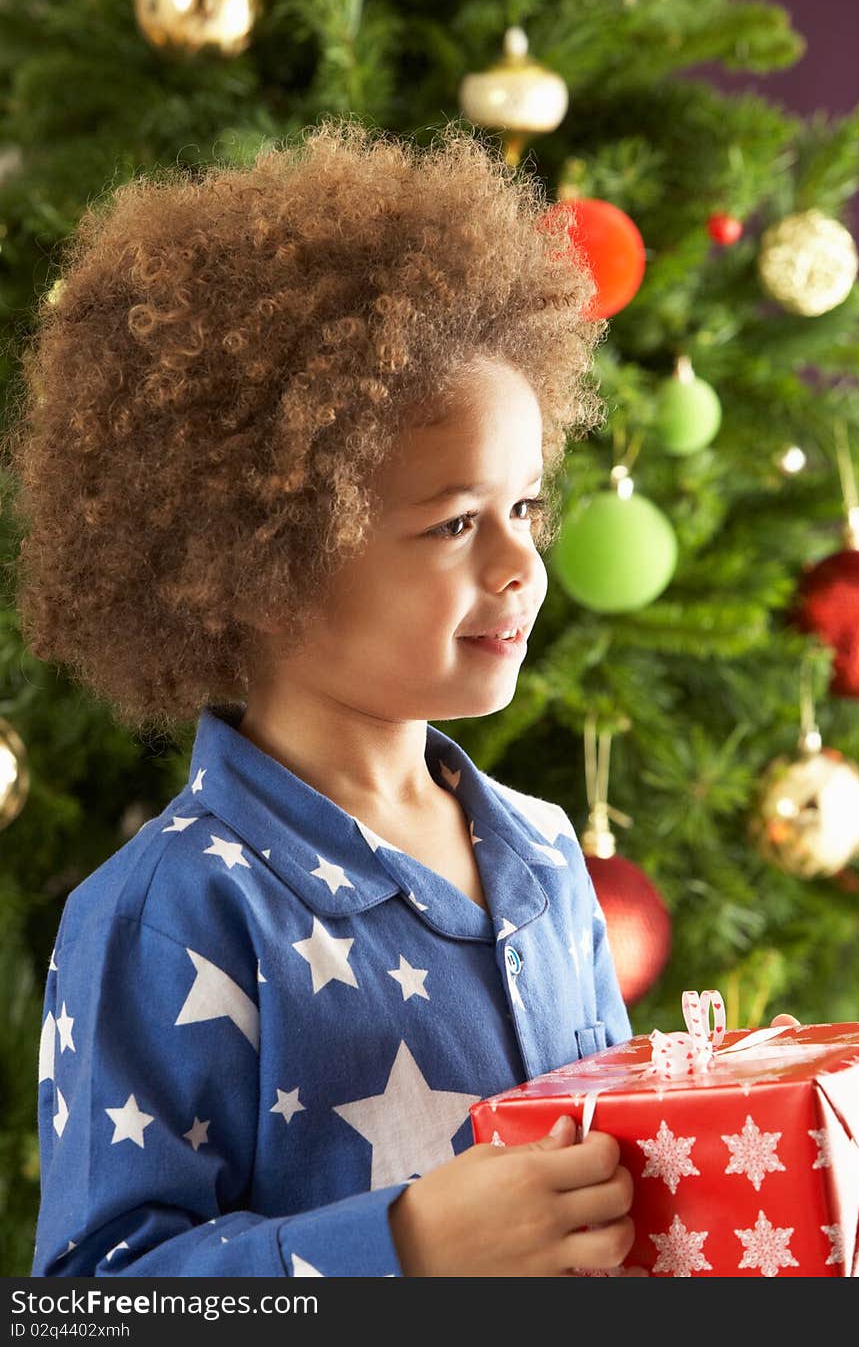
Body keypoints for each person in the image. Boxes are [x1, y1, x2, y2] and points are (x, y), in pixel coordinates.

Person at [5, 114, 792, 1279]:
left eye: (525, 509)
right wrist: (404, 1245)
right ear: (266, 557)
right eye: (457, 523)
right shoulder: (169, 912)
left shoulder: (542, 852)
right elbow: (97, 1300)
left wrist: (721, 1119)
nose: (521, 563)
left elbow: (613, 1182)